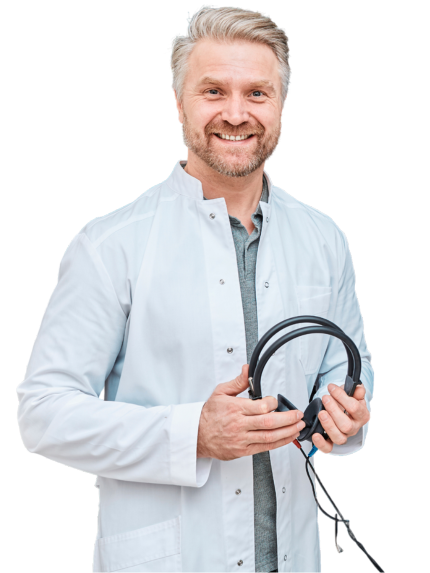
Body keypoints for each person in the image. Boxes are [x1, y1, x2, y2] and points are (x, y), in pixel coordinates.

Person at [15, 5, 373, 573]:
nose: (236, 113)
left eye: (257, 93)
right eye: (213, 91)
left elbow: (345, 371)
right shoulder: (111, 245)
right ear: (179, 103)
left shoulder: (324, 237)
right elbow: (42, 413)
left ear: (281, 106)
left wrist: (349, 415)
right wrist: (194, 435)